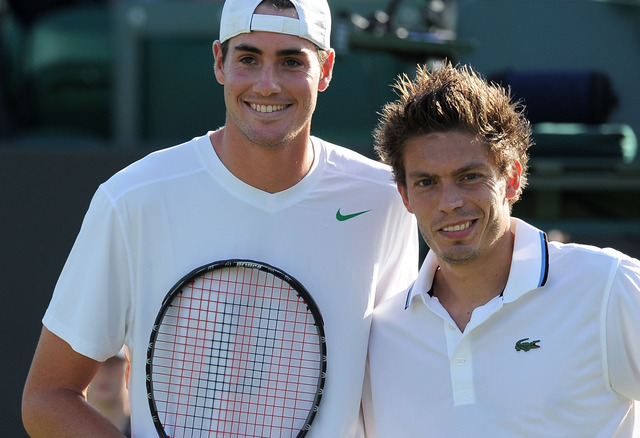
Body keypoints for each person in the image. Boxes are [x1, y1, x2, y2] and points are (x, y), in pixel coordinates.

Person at [21, 0, 418, 436]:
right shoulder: (131, 199)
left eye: (291, 61)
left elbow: (395, 394)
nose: (267, 85)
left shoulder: (386, 200)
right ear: (219, 63)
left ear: (325, 70)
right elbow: (47, 396)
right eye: (248, 58)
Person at [363, 62, 640, 437]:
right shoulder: (380, 333)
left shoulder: (607, 284)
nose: (449, 201)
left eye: (469, 177)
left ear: (512, 179)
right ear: (405, 195)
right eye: (427, 182)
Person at [86, 349, 131, 437]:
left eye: (112, 363)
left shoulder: (148, 429)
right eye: (96, 362)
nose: (104, 373)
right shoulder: (62, 428)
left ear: (128, 370)